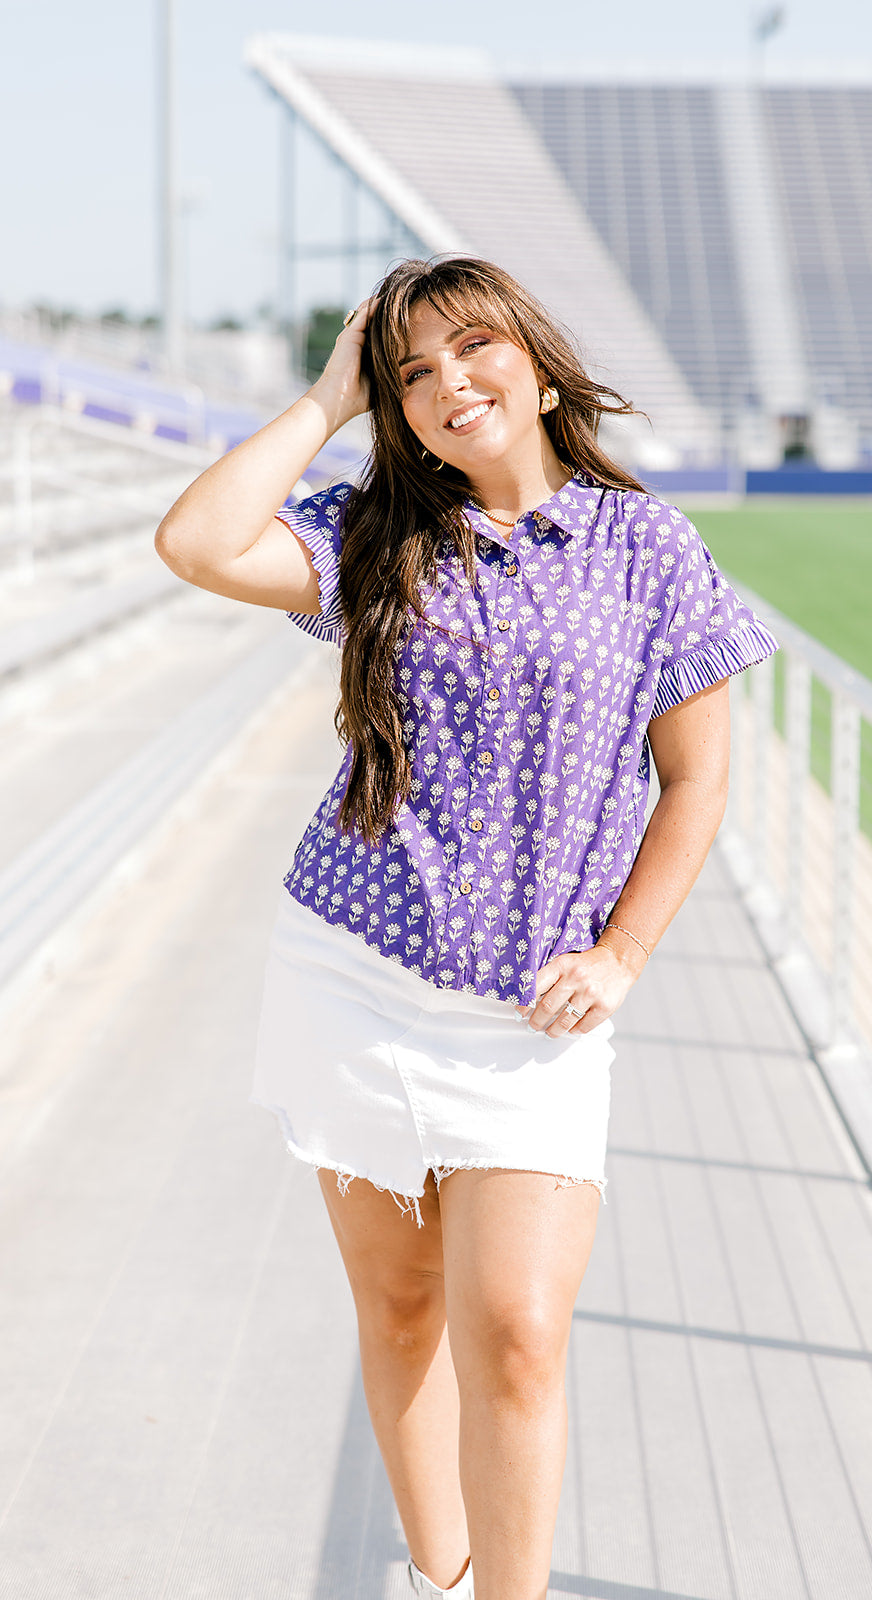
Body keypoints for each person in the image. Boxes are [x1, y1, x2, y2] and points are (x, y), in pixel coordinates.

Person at [154, 256, 778, 1600]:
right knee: (402, 1309)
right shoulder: (374, 531)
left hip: (537, 1012)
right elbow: (199, 543)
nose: (448, 384)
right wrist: (328, 397)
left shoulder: (647, 546)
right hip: (355, 974)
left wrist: (622, 957)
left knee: (516, 1337)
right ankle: (445, 1579)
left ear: (541, 366)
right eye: (411, 373)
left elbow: (699, 779)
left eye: (474, 348)